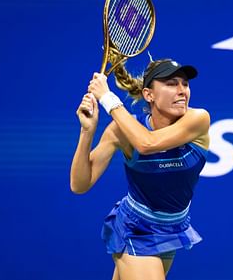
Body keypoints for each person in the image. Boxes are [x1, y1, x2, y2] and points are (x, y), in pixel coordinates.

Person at [70, 58, 210, 280]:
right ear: (149, 94)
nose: (182, 90)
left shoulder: (198, 119)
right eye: (172, 84)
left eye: (185, 84)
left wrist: (107, 98)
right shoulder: (120, 131)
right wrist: (87, 132)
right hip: (135, 228)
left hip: (171, 229)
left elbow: (147, 143)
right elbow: (80, 184)